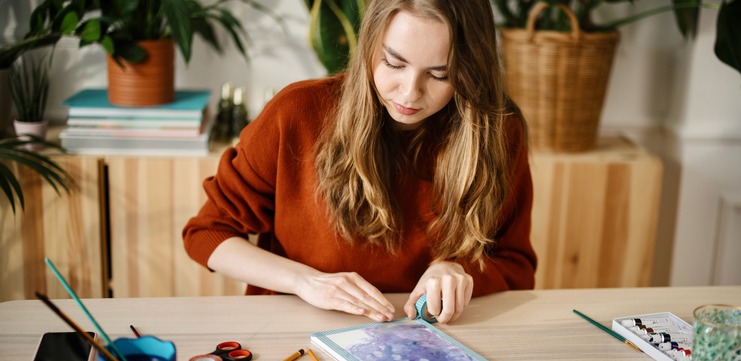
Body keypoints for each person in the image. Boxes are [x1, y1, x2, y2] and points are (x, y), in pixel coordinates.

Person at [182, 0, 536, 324]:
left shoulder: (498, 132)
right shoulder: (296, 114)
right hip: (293, 333)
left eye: (439, 74)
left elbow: (516, 264)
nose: (410, 92)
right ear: (368, 46)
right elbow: (207, 234)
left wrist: (460, 271)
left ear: (471, 68)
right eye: (394, 63)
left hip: (427, 340)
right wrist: (306, 282)